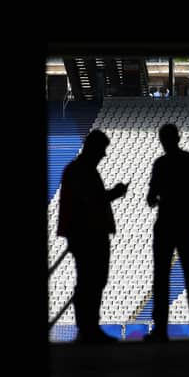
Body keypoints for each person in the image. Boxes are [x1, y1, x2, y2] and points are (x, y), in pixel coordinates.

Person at [57, 129, 129, 344]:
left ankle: (89, 328)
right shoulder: (81, 171)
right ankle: (88, 329)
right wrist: (114, 193)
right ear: (93, 149)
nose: (103, 155)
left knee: (92, 280)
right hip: (88, 234)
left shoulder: (78, 170)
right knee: (91, 281)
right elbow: (91, 200)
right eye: (102, 151)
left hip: (85, 233)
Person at [144, 123, 189, 342]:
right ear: (178, 138)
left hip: (165, 223)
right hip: (185, 223)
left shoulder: (161, 164)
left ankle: (161, 328)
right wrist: (188, 200)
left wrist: (164, 197)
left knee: (161, 277)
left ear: (163, 140)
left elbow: (151, 198)